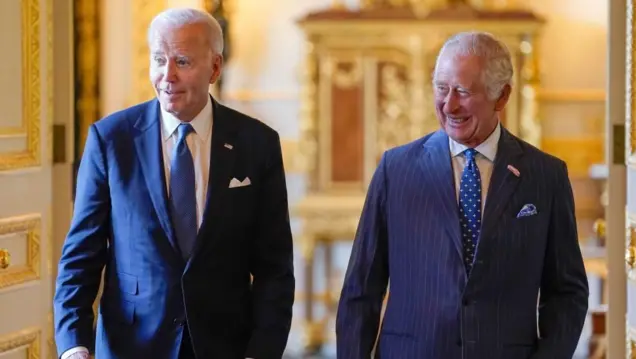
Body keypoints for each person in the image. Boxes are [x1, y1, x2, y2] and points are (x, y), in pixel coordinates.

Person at [53, 8, 294, 359]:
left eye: (182, 61)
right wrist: (73, 345)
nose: (167, 76)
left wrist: (262, 351)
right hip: (130, 346)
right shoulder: (111, 140)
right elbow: (80, 257)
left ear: (214, 67)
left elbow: (275, 269)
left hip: (226, 345)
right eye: (158, 59)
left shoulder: (257, 144)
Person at [335, 31, 589, 359]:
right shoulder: (396, 170)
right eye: (441, 88)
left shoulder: (545, 176)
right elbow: (360, 290)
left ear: (502, 96)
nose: (449, 104)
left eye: (464, 92)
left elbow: (567, 292)